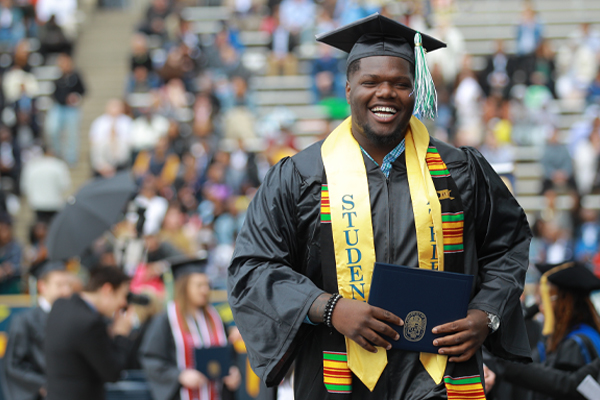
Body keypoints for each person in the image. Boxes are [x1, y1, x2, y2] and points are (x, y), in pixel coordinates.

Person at [228, 13, 532, 399]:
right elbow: (253, 267)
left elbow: (508, 246)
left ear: (414, 90)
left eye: (400, 84)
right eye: (371, 82)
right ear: (349, 87)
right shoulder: (301, 177)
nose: (385, 93)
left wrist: (485, 316)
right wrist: (328, 307)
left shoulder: (459, 171)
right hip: (337, 376)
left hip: (437, 379)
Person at [492, 261, 600, 400]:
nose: (541, 307)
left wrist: (501, 364)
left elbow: (567, 386)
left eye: (545, 300)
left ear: (564, 303)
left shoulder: (576, 343)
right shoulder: (562, 337)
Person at [140, 257, 241, 400]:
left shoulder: (215, 318)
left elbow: (227, 356)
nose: (205, 290)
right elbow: (151, 359)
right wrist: (179, 375)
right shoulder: (165, 320)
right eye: (199, 285)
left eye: (207, 285)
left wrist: (232, 371)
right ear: (183, 287)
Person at [44, 266, 134, 400]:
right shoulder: (90, 323)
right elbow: (113, 372)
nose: (123, 303)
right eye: (122, 296)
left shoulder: (60, 306)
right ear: (107, 290)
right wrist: (121, 335)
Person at [4, 260, 72, 400]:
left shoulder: (72, 320)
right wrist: (42, 385)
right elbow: (13, 365)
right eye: (59, 285)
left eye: (68, 285)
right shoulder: (24, 321)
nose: (66, 291)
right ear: (42, 286)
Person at [45, 52, 86, 166]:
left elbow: (83, 90)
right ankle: (57, 153)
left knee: (72, 133)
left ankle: (71, 157)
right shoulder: (57, 76)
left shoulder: (75, 76)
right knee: (52, 129)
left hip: (71, 109)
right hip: (59, 107)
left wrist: (76, 97)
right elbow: (53, 93)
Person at [20, 144, 71, 223]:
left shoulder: (32, 166)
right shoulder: (59, 165)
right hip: (54, 203)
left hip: (37, 203)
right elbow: (65, 185)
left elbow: (25, 186)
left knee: (40, 228)